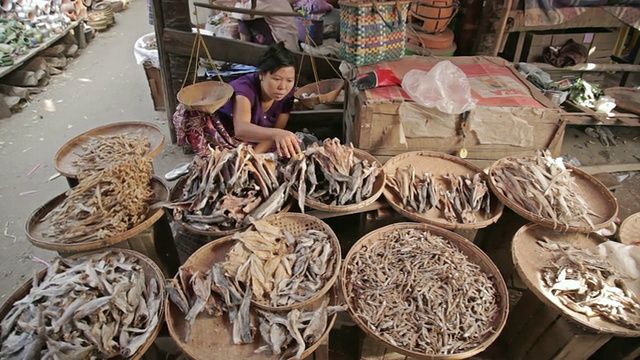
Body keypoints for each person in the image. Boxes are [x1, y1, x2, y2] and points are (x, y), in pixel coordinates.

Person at [173, 42, 302, 158]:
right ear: (261, 75)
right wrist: (277, 134)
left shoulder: (287, 93)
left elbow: (275, 131)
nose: (283, 87)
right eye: (277, 79)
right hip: (229, 134)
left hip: (258, 139)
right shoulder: (245, 90)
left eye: (289, 80)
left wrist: (254, 156)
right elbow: (241, 129)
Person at [231, 0, 300, 52]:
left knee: (243, 19)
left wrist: (234, 4)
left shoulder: (266, 1)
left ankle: (244, 51)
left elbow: (244, 14)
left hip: (283, 43)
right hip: (284, 39)